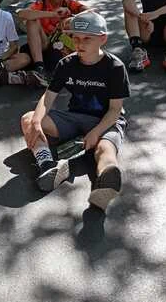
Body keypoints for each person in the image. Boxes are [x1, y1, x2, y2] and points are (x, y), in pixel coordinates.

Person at [21, 12, 129, 210]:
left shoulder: (115, 67)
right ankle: (47, 166)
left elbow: (115, 110)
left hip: (105, 121)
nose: (80, 44)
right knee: (28, 119)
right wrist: (36, 122)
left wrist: (95, 133)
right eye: (76, 38)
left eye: (87, 38)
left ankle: (106, 183)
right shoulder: (67, 63)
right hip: (75, 117)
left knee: (105, 150)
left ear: (102, 38)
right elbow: (48, 96)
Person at [14, 0, 87, 86]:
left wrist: (71, 19)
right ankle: (39, 68)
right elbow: (22, 14)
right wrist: (53, 14)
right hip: (43, 44)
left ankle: (39, 73)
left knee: (80, 24)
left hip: (60, 47)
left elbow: (93, 13)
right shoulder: (42, 2)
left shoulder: (69, 4)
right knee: (32, 21)